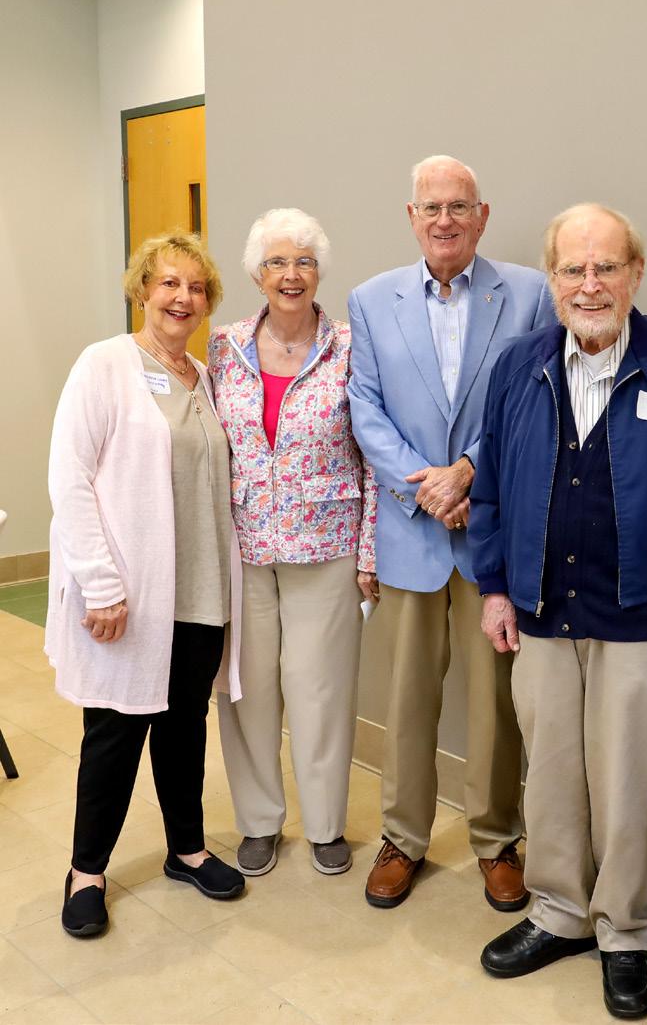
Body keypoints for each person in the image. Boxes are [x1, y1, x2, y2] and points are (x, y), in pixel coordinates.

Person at [470, 203, 647, 1019]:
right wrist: (493, 584)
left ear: (635, 274)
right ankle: (558, 911)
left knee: (626, 779)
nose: (589, 285)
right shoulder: (518, 365)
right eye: (573, 269)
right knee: (551, 772)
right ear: (551, 278)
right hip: (540, 609)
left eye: (606, 267)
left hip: (638, 610)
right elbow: (489, 484)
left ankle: (623, 929)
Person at [347, 155, 554, 910]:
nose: (444, 219)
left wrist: (468, 473)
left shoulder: (529, 294)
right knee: (406, 698)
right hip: (412, 530)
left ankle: (497, 840)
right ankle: (403, 837)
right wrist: (428, 488)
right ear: (412, 217)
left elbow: (536, 402)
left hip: (490, 533)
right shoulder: (371, 300)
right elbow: (365, 409)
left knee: (496, 701)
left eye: (458, 206)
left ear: (481, 215)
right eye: (430, 207)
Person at [48, 232, 246, 938]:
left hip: (199, 590)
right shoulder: (105, 364)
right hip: (131, 593)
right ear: (141, 290)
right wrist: (101, 584)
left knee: (184, 726)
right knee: (114, 731)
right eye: (168, 283)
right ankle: (86, 872)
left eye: (195, 287)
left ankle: (186, 849)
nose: (182, 298)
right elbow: (69, 478)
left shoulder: (205, 377)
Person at [208, 208, 378, 879]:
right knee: (245, 692)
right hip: (242, 545)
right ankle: (258, 821)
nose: (291, 274)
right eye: (277, 262)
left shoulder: (350, 347)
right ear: (258, 273)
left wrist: (370, 551)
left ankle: (326, 825)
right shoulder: (223, 347)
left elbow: (372, 455)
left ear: (319, 272)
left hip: (327, 544)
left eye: (303, 261)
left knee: (321, 691)